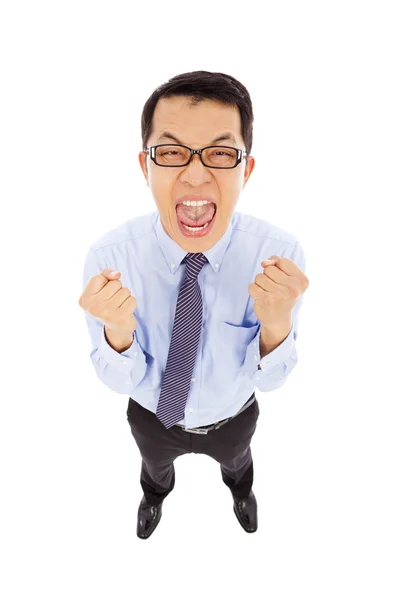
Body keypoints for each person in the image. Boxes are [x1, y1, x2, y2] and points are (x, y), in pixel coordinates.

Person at [79, 70, 310, 540]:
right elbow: (113, 378)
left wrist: (277, 324)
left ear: (245, 170)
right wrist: (118, 331)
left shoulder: (279, 256)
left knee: (238, 460)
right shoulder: (109, 260)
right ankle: (154, 496)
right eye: (171, 151)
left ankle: (240, 490)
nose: (196, 173)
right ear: (146, 167)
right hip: (152, 415)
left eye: (222, 153)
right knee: (154, 466)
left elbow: (274, 380)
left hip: (233, 413)